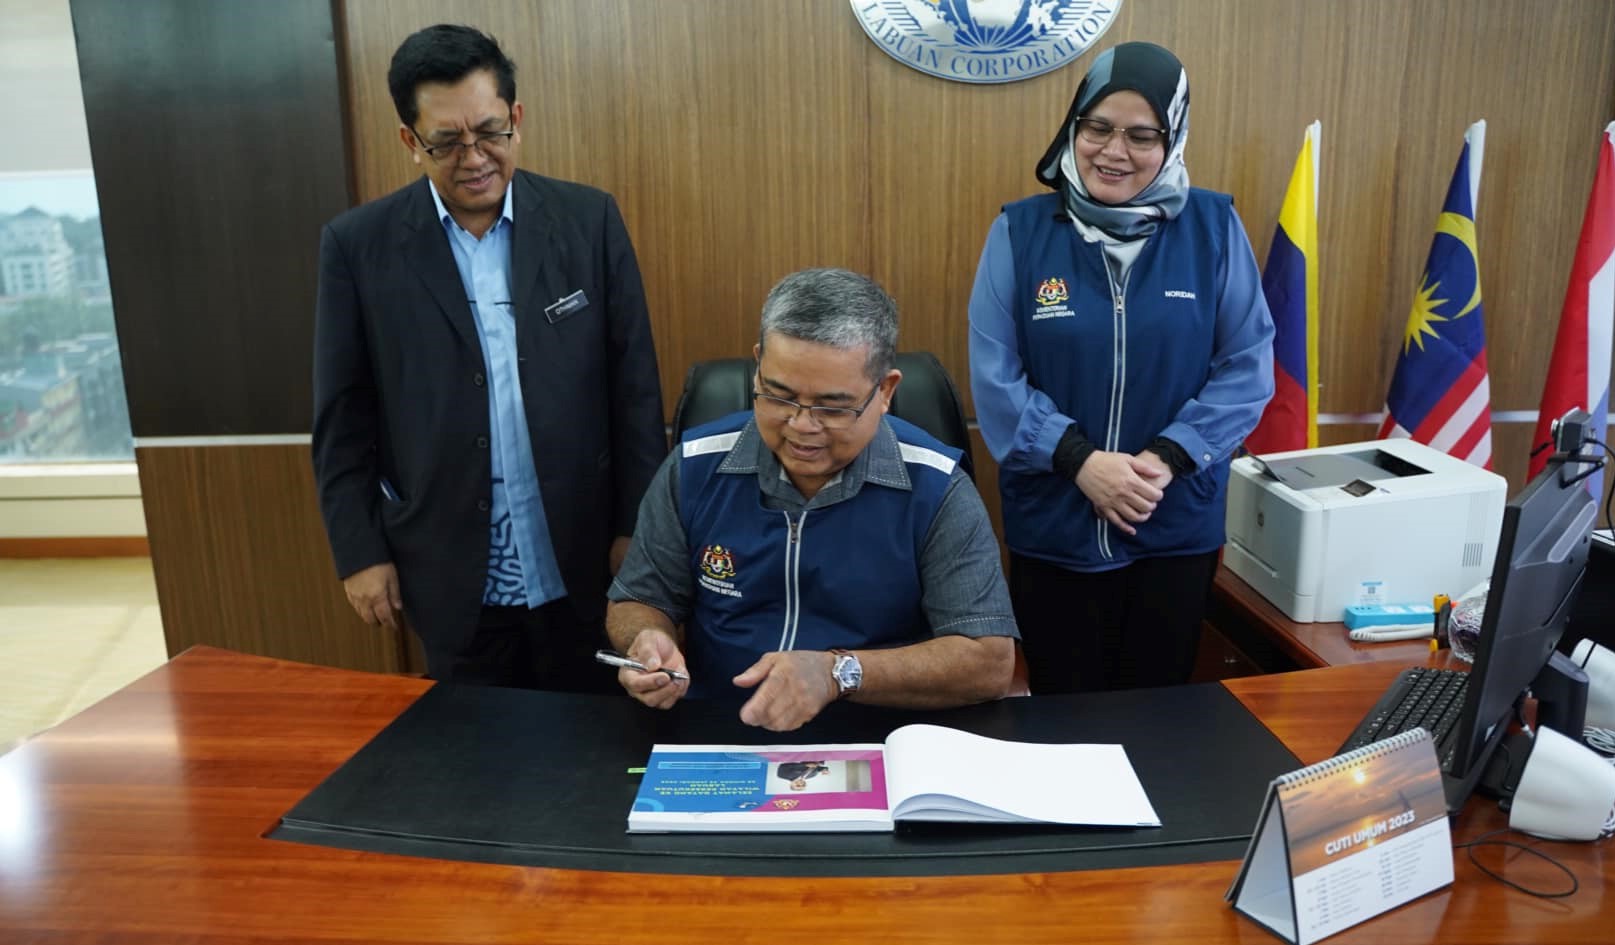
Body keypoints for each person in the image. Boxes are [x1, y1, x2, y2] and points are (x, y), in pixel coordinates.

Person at [312, 25, 665, 690]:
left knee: (594, 737)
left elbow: (635, 391)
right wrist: (358, 552)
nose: (473, 157)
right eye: (446, 141)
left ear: (516, 118)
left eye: (490, 132)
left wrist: (636, 530)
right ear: (410, 142)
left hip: (583, 555)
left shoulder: (587, 221)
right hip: (447, 568)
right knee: (474, 747)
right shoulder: (359, 247)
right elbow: (342, 418)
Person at [968, 42, 1274, 694]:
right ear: (1072, 127)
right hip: (1055, 522)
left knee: (1158, 715)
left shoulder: (1214, 228)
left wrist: (1167, 457)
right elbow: (995, 374)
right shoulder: (1020, 231)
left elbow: (1247, 364)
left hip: (1171, 521)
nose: (1114, 151)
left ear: (1172, 138)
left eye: (1142, 135)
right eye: (1097, 128)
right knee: (1063, 716)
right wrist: (1081, 461)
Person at [606, 268, 1018, 731]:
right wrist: (647, 640)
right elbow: (637, 598)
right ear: (758, 365)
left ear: (885, 391)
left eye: (832, 407)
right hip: (721, 731)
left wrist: (838, 673)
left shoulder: (936, 486)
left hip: (879, 736)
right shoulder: (695, 466)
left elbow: (988, 661)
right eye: (779, 396)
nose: (801, 426)